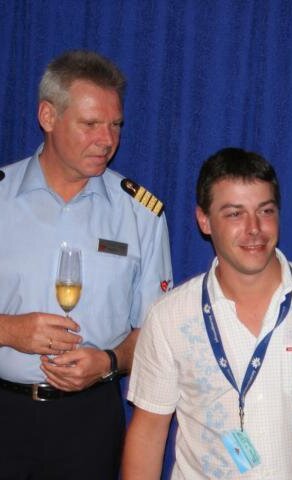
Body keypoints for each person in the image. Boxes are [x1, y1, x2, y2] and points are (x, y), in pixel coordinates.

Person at [122, 147, 292, 479]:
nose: (254, 228)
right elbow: (148, 433)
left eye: (265, 211)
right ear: (204, 220)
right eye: (235, 214)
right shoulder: (168, 317)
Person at [0, 50, 172, 479]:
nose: (107, 140)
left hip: (90, 421)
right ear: (48, 116)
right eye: (91, 124)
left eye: (115, 125)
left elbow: (156, 334)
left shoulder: (141, 214)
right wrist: (9, 330)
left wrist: (110, 362)